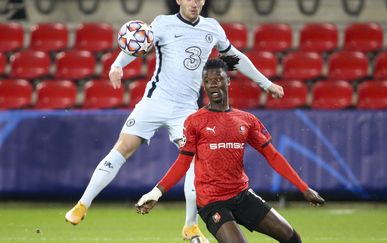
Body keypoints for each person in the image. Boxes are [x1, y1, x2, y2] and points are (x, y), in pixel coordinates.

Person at [65, 0, 284, 241]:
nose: (195, 2)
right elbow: (138, 41)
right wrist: (117, 65)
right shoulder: (162, 24)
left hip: (186, 110)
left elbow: (236, 57)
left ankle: (190, 226)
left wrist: (267, 83)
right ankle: (82, 205)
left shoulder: (212, 28)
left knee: (197, 162)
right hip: (154, 101)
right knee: (123, 147)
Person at [135, 57, 325, 243]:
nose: (213, 85)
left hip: (242, 195)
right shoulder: (195, 121)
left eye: (217, 79)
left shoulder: (246, 120)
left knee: (293, 238)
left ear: (228, 80)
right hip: (212, 202)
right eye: (207, 81)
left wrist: (304, 188)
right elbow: (183, 162)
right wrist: (157, 192)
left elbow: (272, 156)